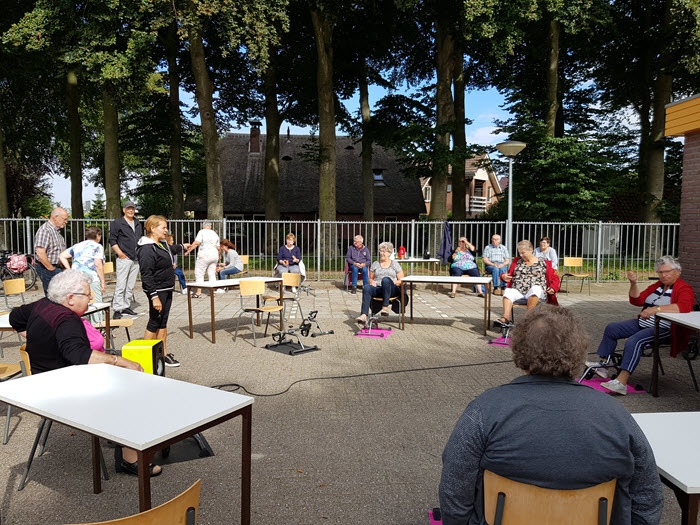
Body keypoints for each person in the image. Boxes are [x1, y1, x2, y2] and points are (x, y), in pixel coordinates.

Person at [439, 305, 663, 524]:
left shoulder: (484, 409)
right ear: (579, 349)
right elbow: (648, 497)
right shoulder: (615, 414)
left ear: (519, 350)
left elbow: (455, 487)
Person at [8, 270, 161, 477]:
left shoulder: (43, 304)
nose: (91, 298)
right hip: (62, 391)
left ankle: (119, 435)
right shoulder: (66, 319)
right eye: (88, 294)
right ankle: (129, 459)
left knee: (126, 384)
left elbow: (15, 317)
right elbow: (79, 355)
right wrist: (121, 361)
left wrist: (36, 337)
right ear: (70, 298)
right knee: (133, 390)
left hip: (42, 383)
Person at [587, 255, 694, 395]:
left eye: (667, 272)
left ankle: (621, 382)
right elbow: (637, 300)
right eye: (660, 272)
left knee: (635, 341)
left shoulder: (684, 288)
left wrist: (656, 309)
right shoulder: (657, 286)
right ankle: (603, 366)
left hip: (665, 328)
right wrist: (633, 283)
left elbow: (684, 306)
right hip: (644, 323)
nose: (663, 275)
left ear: (677, 271)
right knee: (612, 328)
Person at [137, 215, 189, 368]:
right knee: (154, 321)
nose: (166, 230)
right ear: (152, 228)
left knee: (163, 321)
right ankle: (144, 356)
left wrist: (182, 246)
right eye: (163, 228)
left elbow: (170, 250)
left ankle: (163, 354)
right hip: (157, 290)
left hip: (166, 288)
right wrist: (154, 297)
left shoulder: (161, 244)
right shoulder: (147, 248)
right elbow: (146, 274)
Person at [495, 240, 560, 327]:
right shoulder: (517, 262)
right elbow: (508, 274)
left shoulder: (544, 263)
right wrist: (503, 277)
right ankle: (506, 318)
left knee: (535, 289)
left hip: (537, 293)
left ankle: (527, 319)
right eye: (519, 253)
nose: (521, 255)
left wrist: (553, 287)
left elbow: (555, 278)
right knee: (508, 291)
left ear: (531, 250)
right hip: (518, 290)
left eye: (523, 253)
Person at [59, 226, 106, 323]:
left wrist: (69, 269)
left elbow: (62, 256)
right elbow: (98, 264)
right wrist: (103, 281)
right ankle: (99, 328)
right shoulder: (97, 246)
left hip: (77, 279)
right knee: (96, 303)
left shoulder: (78, 245)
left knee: (80, 302)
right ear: (98, 236)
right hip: (91, 278)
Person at [355, 241, 404, 325]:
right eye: (380, 251)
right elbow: (370, 278)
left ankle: (385, 307)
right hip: (379, 288)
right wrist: (372, 281)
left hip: (392, 289)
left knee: (386, 280)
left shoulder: (394, 264)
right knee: (366, 287)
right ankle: (364, 315)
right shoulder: (375, 264)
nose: (381, 253)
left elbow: (402, 280)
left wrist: (395, 281)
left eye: (383, 251)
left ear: (389, 253)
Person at [108, 201, 143, 319]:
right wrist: (120, 253)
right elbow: (112, 240)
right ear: (124, 210)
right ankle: (118, 308)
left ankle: (126, 306)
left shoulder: (137, 223)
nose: (131, 211)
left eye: (132, 208)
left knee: (130, 285)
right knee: (121, 284)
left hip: (136, 258)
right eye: (128, 208)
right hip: (124, 258)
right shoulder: (117, 223)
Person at [34, 207, 69, 295]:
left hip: (56, 267)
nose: (66, 222)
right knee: (54, 296)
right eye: (64, 219)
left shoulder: (56, 231)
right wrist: (51, 269)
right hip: (47, 268)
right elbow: (40, 252)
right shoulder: (45, 230)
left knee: (61, 295)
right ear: (56, 217)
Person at [184, 220, 220, 298]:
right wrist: (219, 256)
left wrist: (188, 251)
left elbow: (197, 243)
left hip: (204, 255)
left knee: (199, 273)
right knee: (212, 273)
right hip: (214, 255)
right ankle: (212, 292)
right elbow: (218, 247)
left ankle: (198, 292)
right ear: (210, 226)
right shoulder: (215, 234)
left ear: (203, 226)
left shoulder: (202, 232)